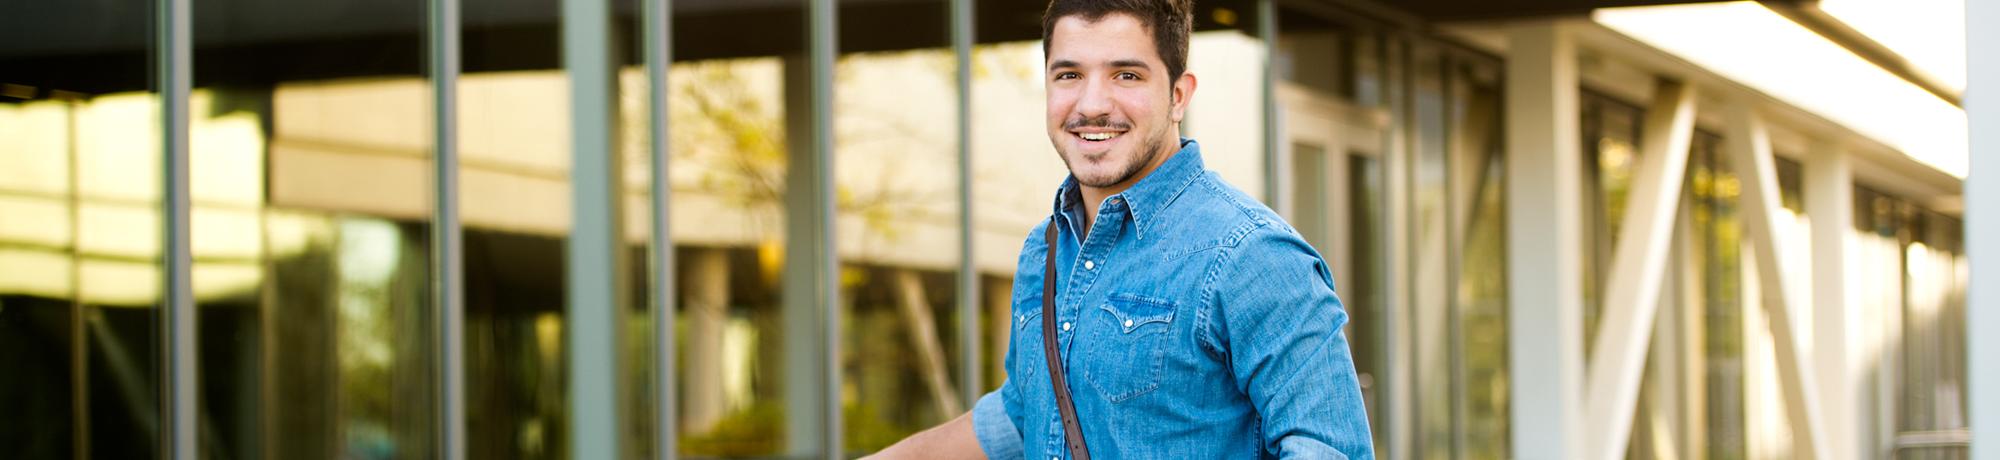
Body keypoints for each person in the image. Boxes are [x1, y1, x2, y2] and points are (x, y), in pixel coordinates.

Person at [869, 0, 1373, 458]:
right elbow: (1027, 416)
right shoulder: (1045, 249)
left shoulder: (1252, 256)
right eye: (1068, 75)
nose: (1091, 104)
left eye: (1126, 75)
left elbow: (1330, 450)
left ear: (1179, 95)